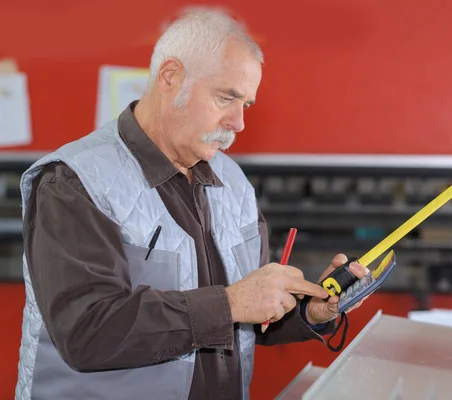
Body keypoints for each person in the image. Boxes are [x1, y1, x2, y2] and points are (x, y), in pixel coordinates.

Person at [15, 7, 368, 400]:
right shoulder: (75, 181)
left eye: (246, 104)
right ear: (170, 77)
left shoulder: (233, 183)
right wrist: (230, 303)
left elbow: (247, 318)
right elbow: (87, 333)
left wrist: (307, 312)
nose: (239, 123)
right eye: (226, 98)